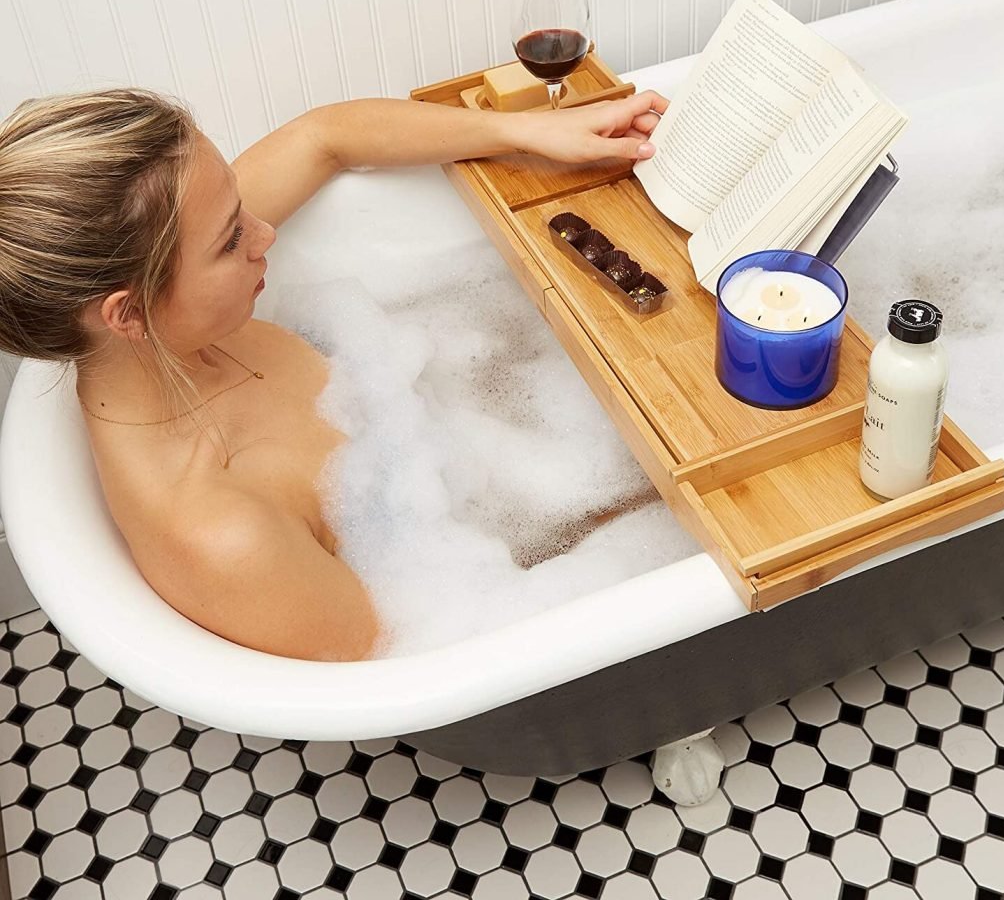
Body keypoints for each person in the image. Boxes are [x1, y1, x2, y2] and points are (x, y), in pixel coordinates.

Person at [0, 88, 668, 662]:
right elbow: (417, 661)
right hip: (518, 566)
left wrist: (524, 131)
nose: (264, 234)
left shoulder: (163, 311)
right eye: (231, 239)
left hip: (489, 442)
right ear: (128, 313)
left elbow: (325, 139)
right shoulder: (227, 536)